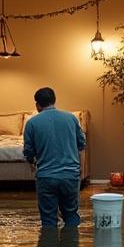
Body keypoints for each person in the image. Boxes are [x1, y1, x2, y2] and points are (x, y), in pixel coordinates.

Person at [22, 87, 87, 227]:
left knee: (48, 220)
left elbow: (28, 151)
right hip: (70, 176)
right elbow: (82, 144)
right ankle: (70, 246)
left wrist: (31, 162)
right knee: (71, 216)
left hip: (46, 177)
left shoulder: (32, 123)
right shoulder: (71, 118)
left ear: (37, 105)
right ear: (54, 101)